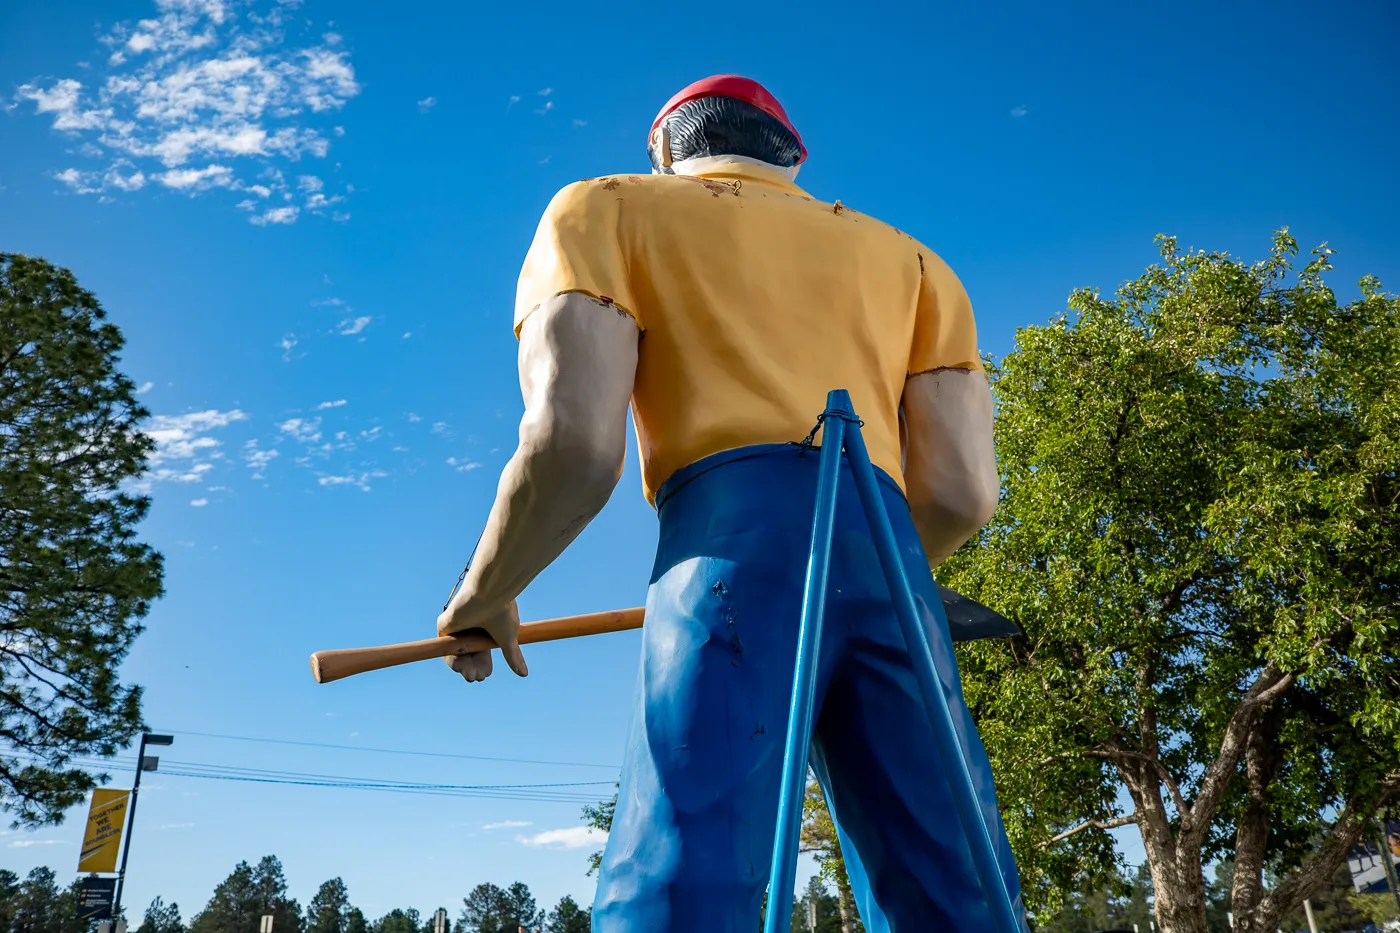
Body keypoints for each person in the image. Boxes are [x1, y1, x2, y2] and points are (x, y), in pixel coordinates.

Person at [435, 74, 1028, 932]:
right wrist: (863, 579)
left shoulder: (604, 209)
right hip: (894, 562)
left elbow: (572, 446)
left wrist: (487, 591)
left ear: (667, 150)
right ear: (792, 156)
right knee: (958, 879)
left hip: (728, 547)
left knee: (688, 863)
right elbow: (964, 491)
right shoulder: (917, 263)